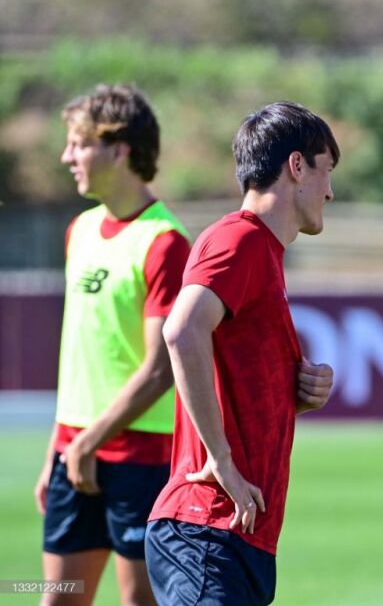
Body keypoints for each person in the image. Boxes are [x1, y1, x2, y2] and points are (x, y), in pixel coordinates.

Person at [144, 101, 338, 606]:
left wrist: (297, 394)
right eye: (326, 170)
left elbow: (231, 376)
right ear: (297, 166)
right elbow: (181, 331)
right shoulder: (240, 239)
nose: (330, 191)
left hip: (235, 534)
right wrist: (222, 459)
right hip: (206, 525)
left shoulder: (261, 250)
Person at [34, 84, 191, 605]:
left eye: (79, 144)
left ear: (119, 149)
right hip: (73, 448)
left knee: (139, 601)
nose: (67, 157)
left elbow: (160, 370)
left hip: (140, 455)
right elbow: (81, 359)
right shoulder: (79, 230)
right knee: (59, 598)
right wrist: (58, 450)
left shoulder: (165, 243)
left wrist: (89, 441)